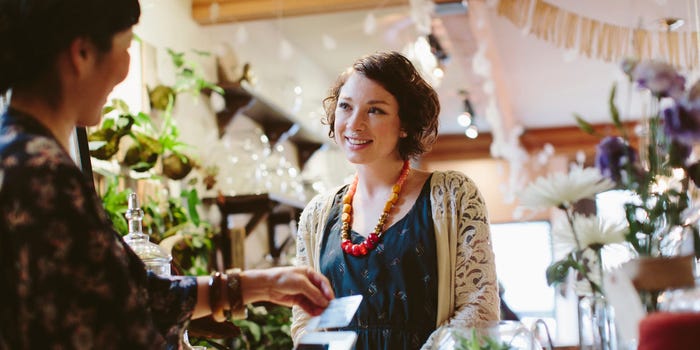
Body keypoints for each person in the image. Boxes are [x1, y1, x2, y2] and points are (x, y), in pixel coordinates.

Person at [0, 1, 333, 349]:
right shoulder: (42, 175)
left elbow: (137, 296)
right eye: (126, 46)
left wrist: (260, 285)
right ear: (82, 53)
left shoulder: (23, 154)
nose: (126, 67)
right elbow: (119, 325)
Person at [291, 51, 500, 349]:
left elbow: (479, 307)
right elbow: (304, 318)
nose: (354, 123)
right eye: (345, 106)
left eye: (375, 110)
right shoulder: (316, 215)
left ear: (405, 124)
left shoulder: (453, 194)